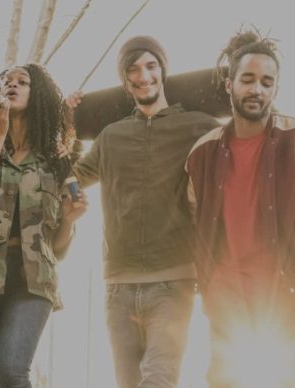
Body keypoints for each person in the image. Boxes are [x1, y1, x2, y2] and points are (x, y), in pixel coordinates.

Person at [185, 30, 295, 388]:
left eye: (267, 82)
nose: (256, 90)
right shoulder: (202, 154)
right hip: (229, 314)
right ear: (229, 83)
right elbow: (192, 219)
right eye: (247, 79)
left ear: (276, 89)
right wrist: (208, 283)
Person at [68, 36, 220, 388]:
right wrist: (70, 126)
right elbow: (69, 179)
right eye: (133, 69)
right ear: (125, 80)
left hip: (174, 280)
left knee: (158, 379)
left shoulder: (198, 126)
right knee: (128, 383)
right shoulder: (110, 137)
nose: (144, 75)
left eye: (151, 66)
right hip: (119, 284)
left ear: (162, 71)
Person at [0, 63, 88, 388]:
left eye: (22, 81)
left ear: (37, 93)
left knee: (11, 371)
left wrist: (68, 220)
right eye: (5, 81)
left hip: (33, 280)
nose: (12, 85)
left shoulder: (56, 161)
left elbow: (57, 248)